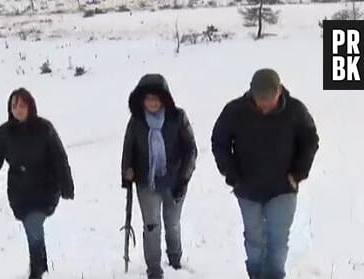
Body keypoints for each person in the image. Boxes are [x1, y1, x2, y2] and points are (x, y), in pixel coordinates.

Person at [211, 69, 319, 279]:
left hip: (283, 188)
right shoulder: (235, 111)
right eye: (260, 100)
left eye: (268, 99)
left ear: (279, 90)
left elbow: (310, 140)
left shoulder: (295, 110)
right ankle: (256, 275)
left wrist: (298, 173)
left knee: (278, 240)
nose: (264, 105)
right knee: (254, 239)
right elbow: (219, 142)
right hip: (247, 188)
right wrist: (232, 175)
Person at [0, 88, 74, 279]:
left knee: (34, 225)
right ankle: (43, 267)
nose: (18, 110)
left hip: (45, 189)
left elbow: (59, 157)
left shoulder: (44, 128)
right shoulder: (5, 132)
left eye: (22, 105)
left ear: (30, 106)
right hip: (20, 192)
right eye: (14, 106)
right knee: (33, 228)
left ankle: (37, 271)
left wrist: (66, 185)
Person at [121, 73, 198, 279]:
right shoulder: (136, 121)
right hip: (147, 182)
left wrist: (184, 178)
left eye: (156, 98)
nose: (152, 103)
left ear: (164, 98)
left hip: (174, 180)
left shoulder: (178, 117)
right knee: (152, 225)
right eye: (148, 98)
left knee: (172, 224)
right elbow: (128, 148)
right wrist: (126, 171)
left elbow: (190, 149)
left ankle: (174, 260)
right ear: (142, 100)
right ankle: (154, 269)